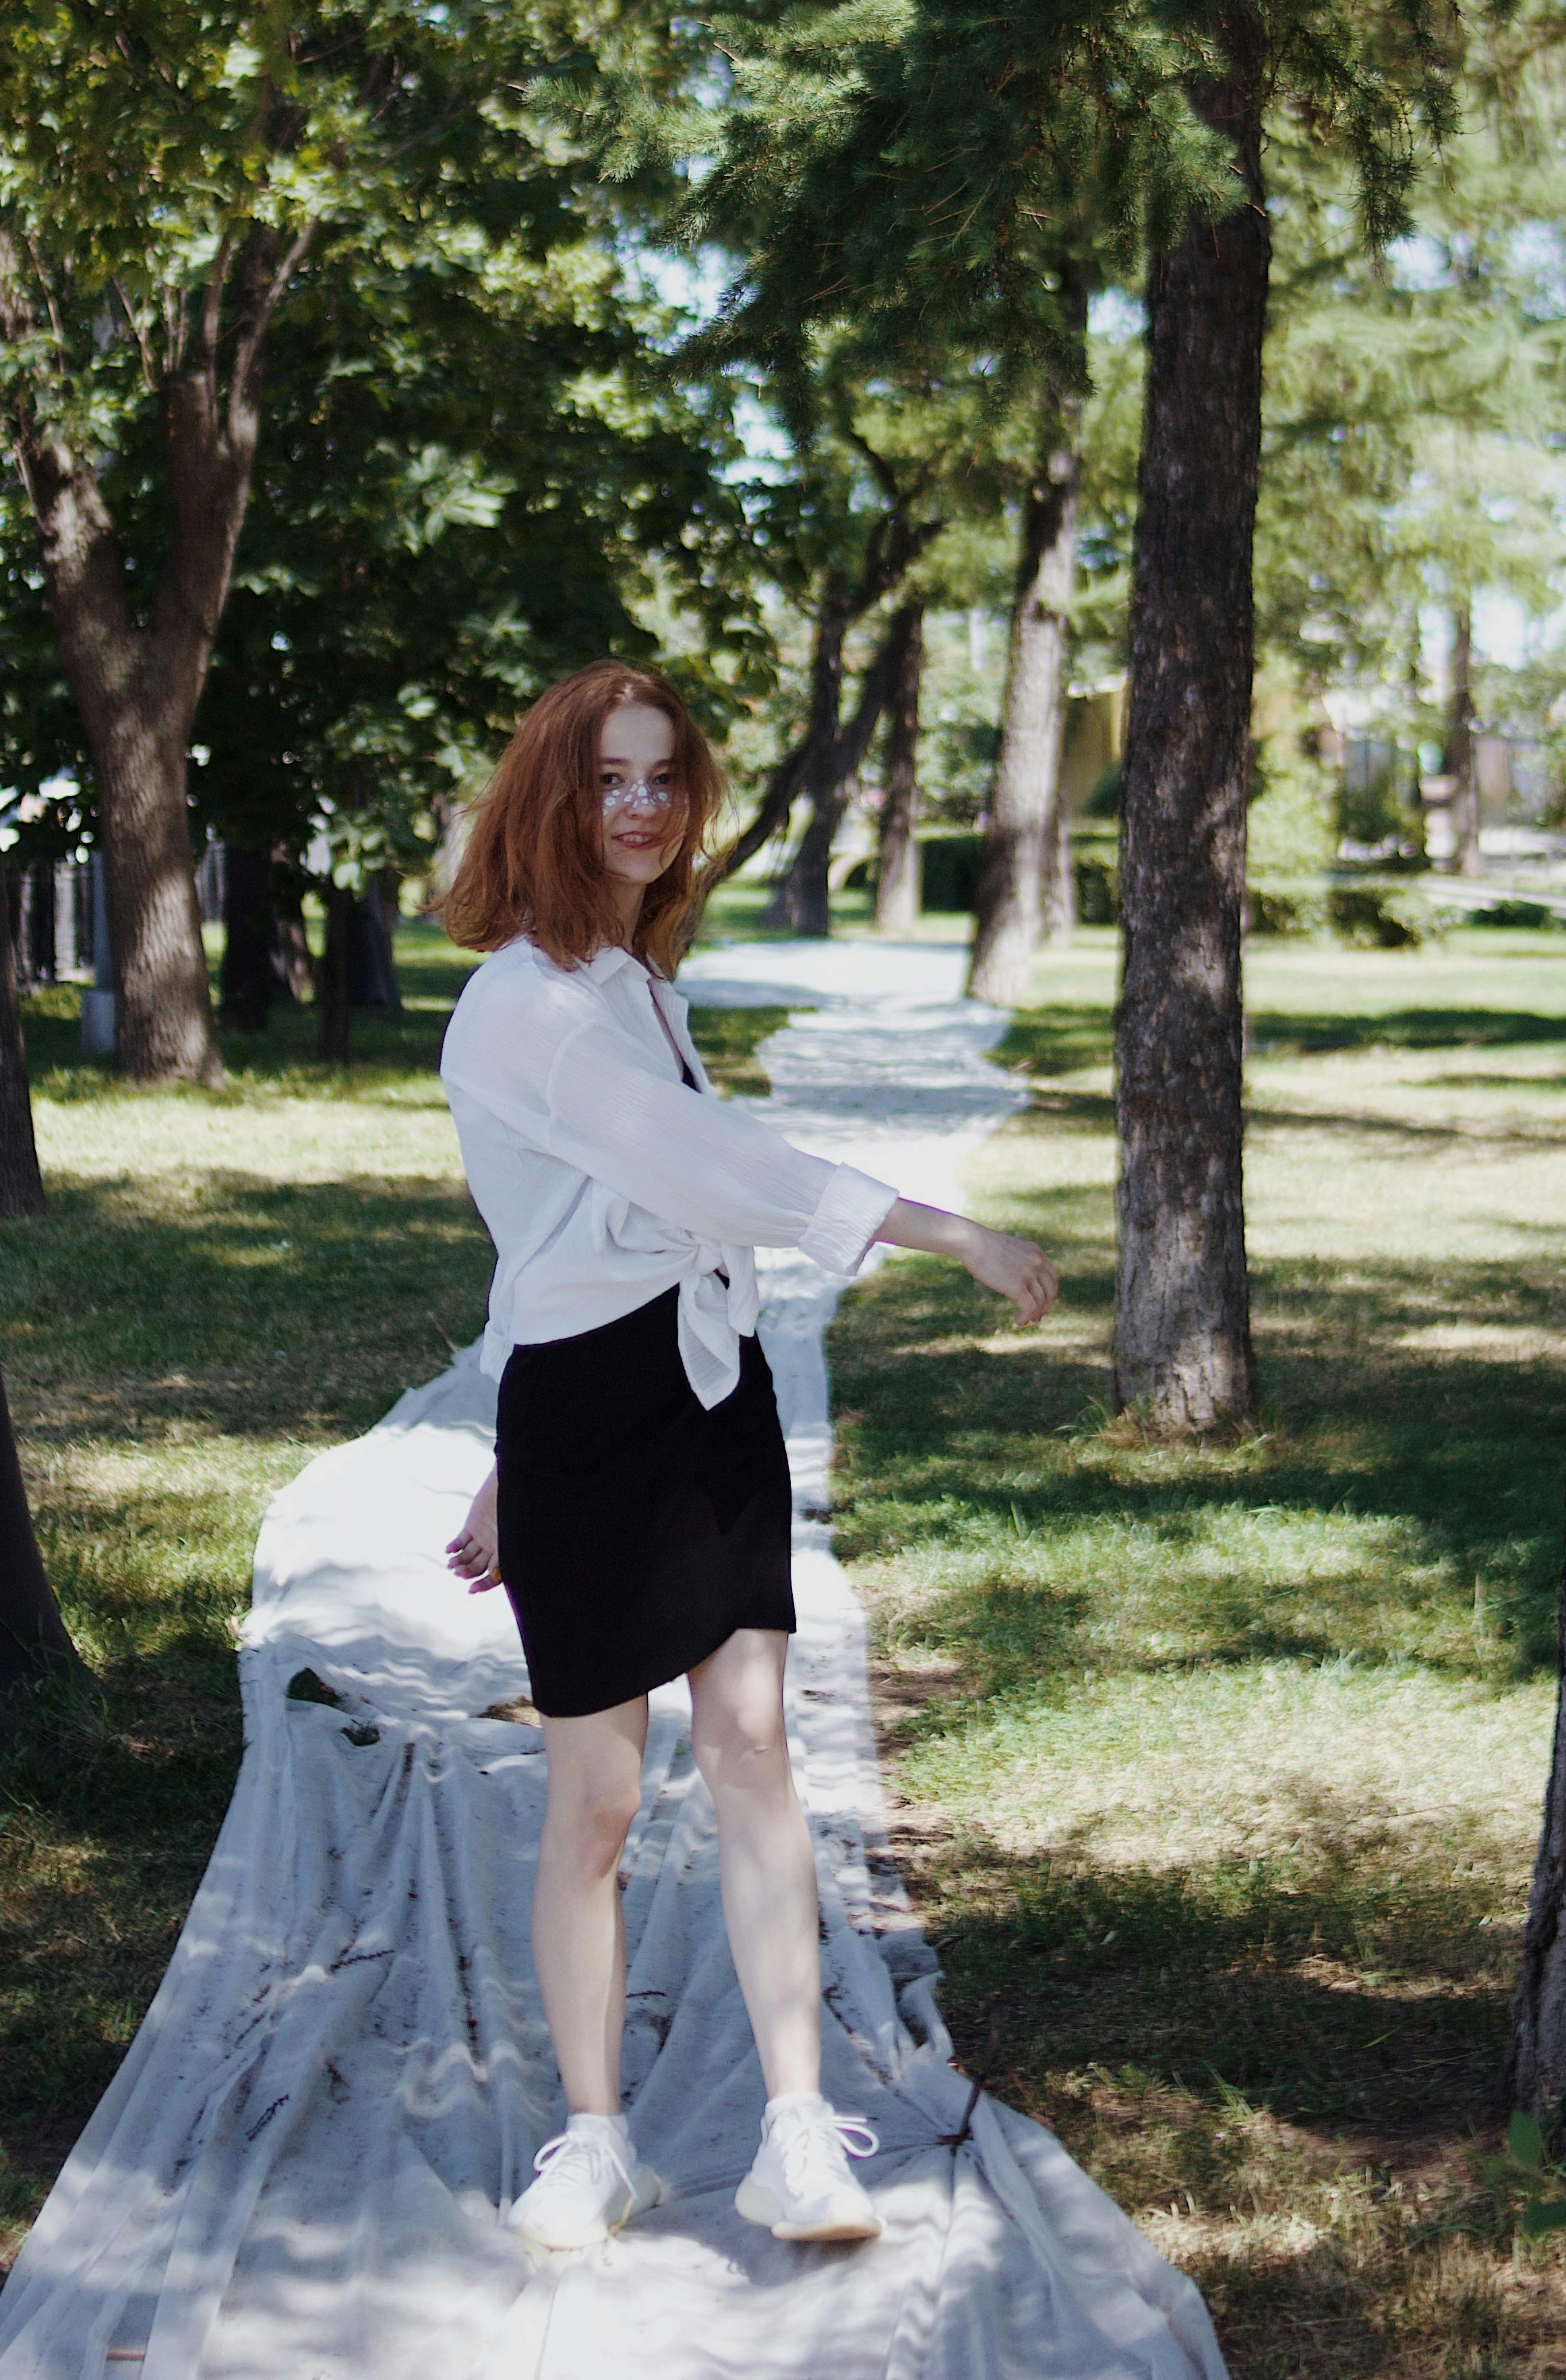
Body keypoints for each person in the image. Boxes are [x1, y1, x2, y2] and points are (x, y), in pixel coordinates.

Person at [437, 659, 1057, 2257]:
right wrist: (950, 1232)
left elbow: (568, 1226)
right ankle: (596, 2144)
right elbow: (707, 1170)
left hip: (708, 1391)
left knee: (757, 1748)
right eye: (609, 779)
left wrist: (497, 1455)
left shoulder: (635, 983)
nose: (642, 807)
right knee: (597, 1798)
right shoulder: (524, 1005)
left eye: (664, 778)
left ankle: (797, 2132)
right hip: (588, 1418)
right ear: (551, 799)